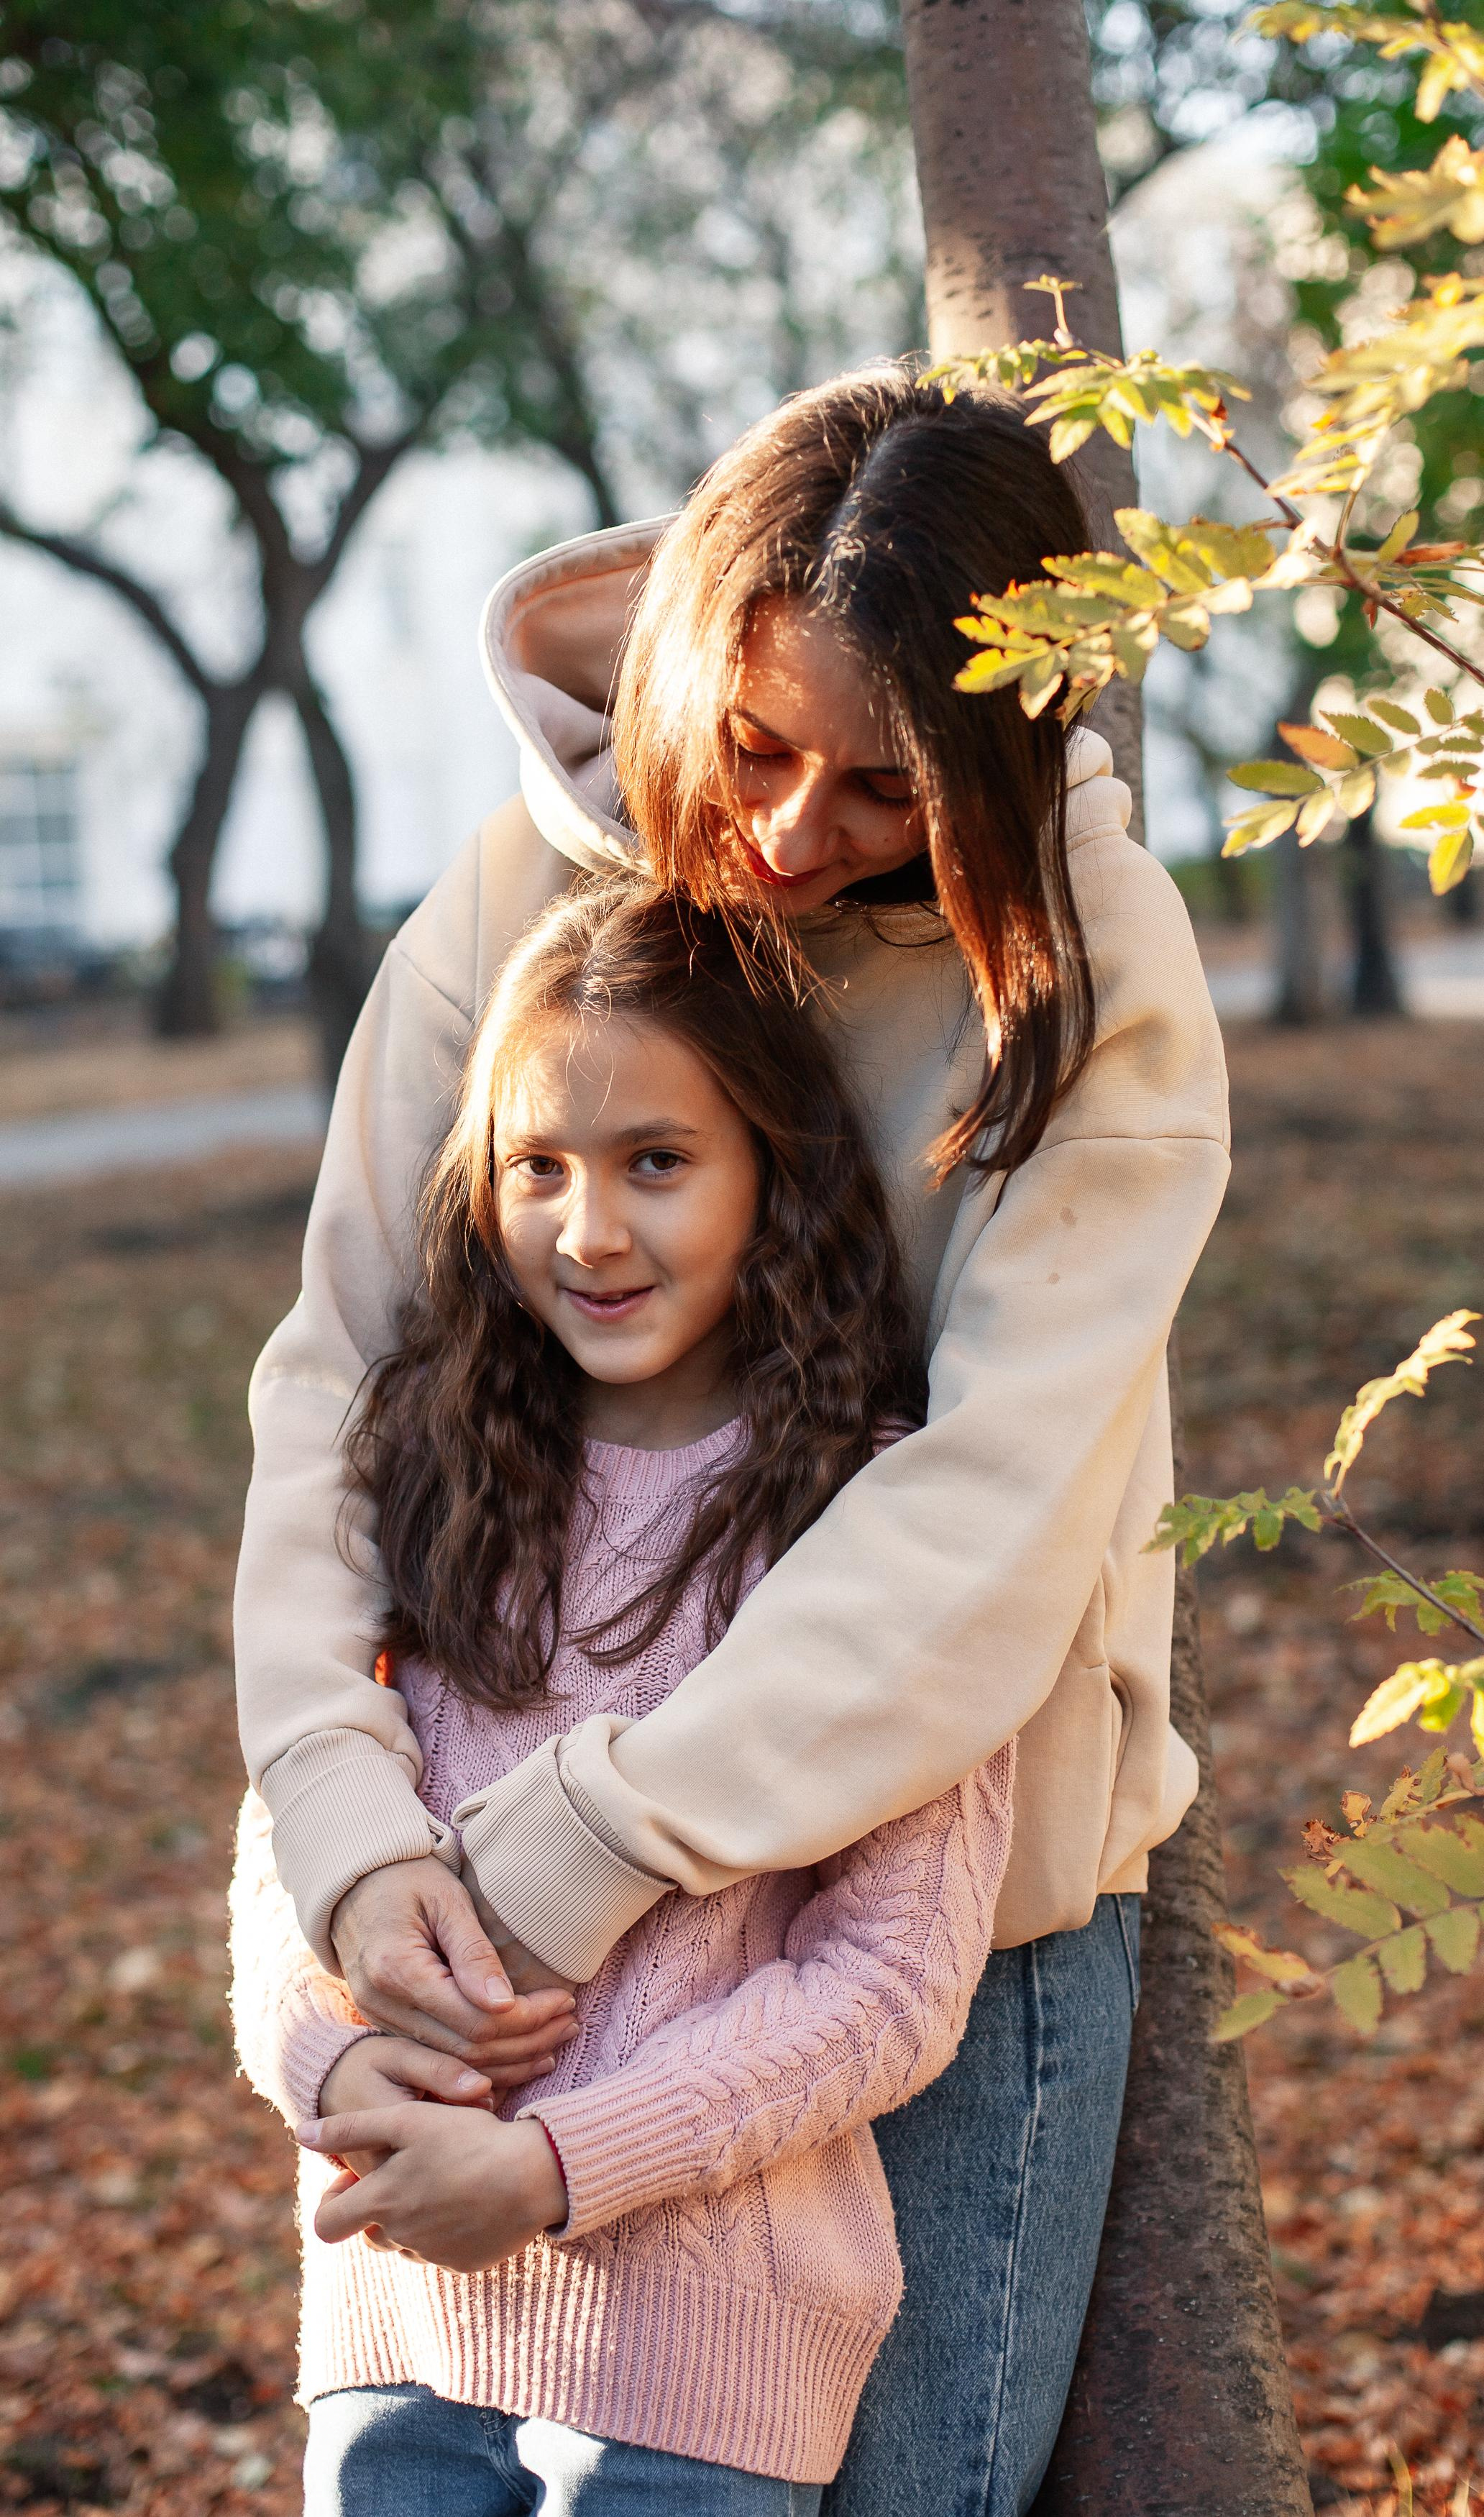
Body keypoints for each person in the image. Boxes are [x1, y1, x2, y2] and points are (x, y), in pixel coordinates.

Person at [234, 367, 1230, 2513]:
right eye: (754, 745)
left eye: (883, 788)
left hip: (934, 1912)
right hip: (486, 1900)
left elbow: (992, 1504)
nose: (784, 835)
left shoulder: (1090, 956)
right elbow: (344, 1378)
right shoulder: (519, 892)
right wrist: (347, 1825)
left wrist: (591, 1848)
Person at [231, 875, 1015, 2513]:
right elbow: (295, 1823)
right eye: (539, 1166)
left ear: (771, 1170)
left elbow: (888, 1980)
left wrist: (554, 2165)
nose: (587, 1231)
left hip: (691, 2370)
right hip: (393, 2323)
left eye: (656, 1160)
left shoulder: (872, 1522)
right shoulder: (439, 1464)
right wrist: (327, 2063)